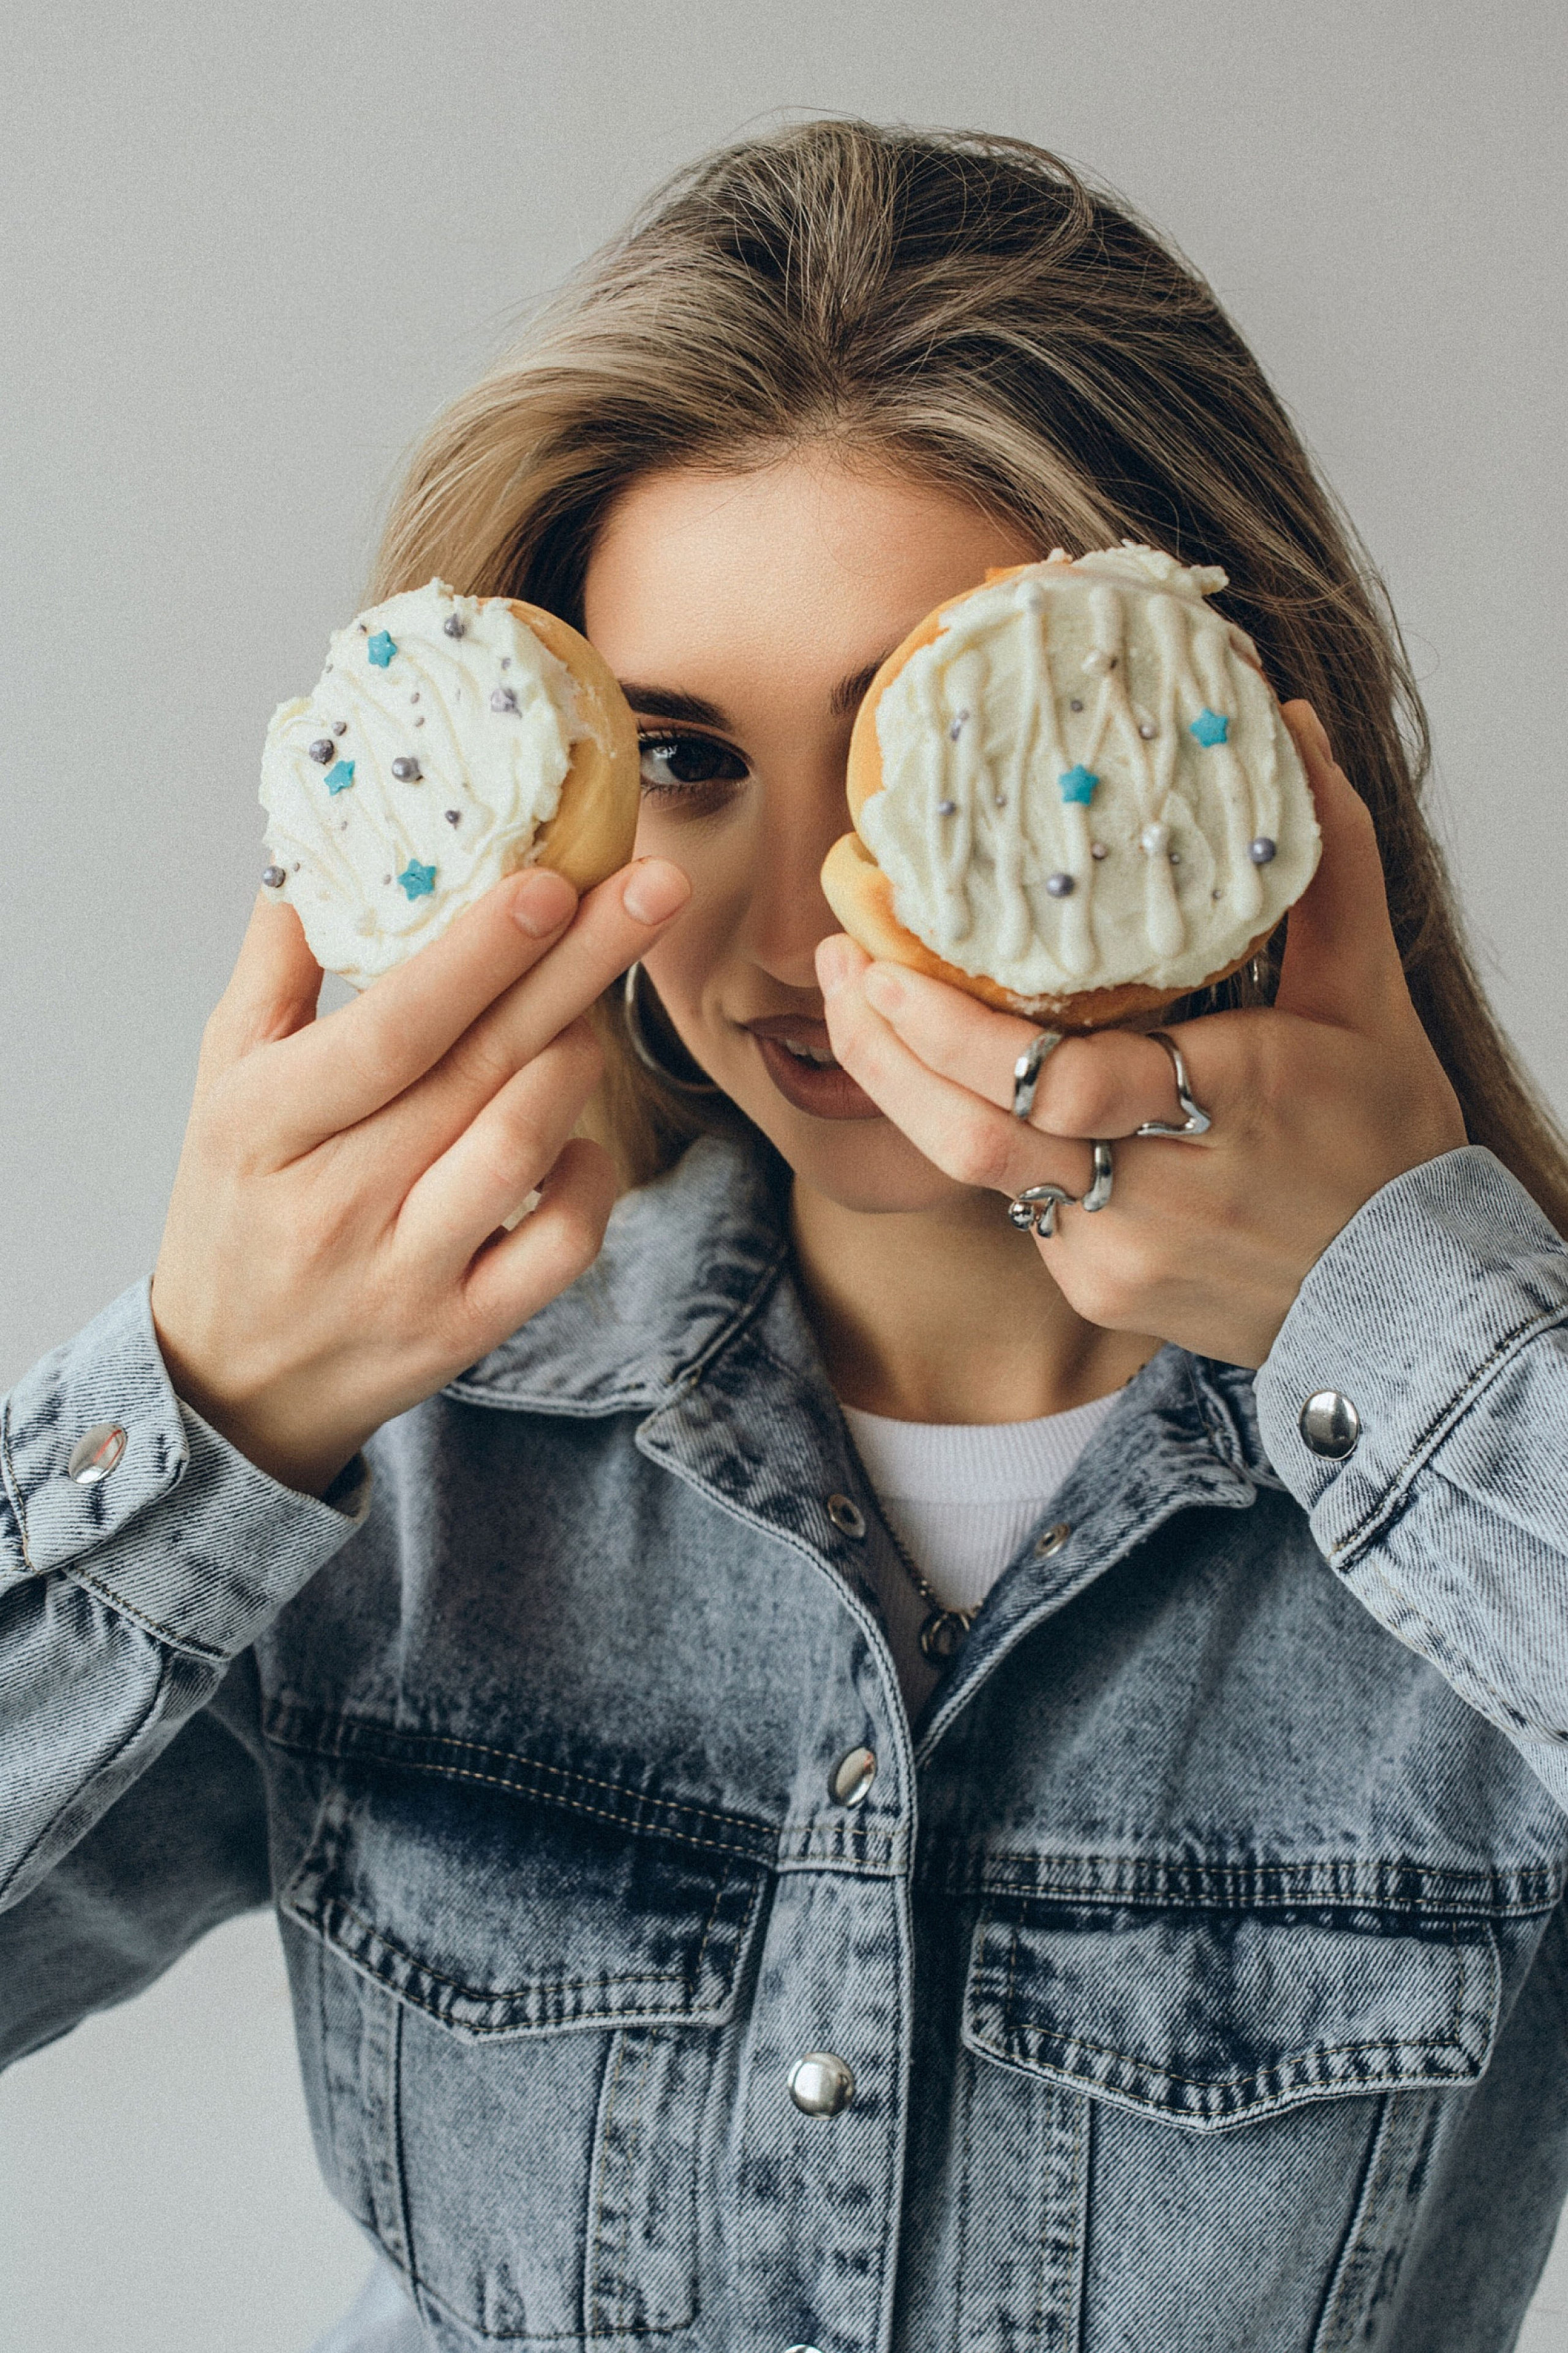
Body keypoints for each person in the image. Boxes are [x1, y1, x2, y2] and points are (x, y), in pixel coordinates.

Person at [4, 119, 1567, 2353]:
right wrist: (199, 1412)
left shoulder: (1483, 1496)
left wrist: (1420, 1341)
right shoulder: (408, 1461)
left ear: (1213, 749)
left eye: (933, 743)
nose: (820, 924)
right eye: (687, 758)